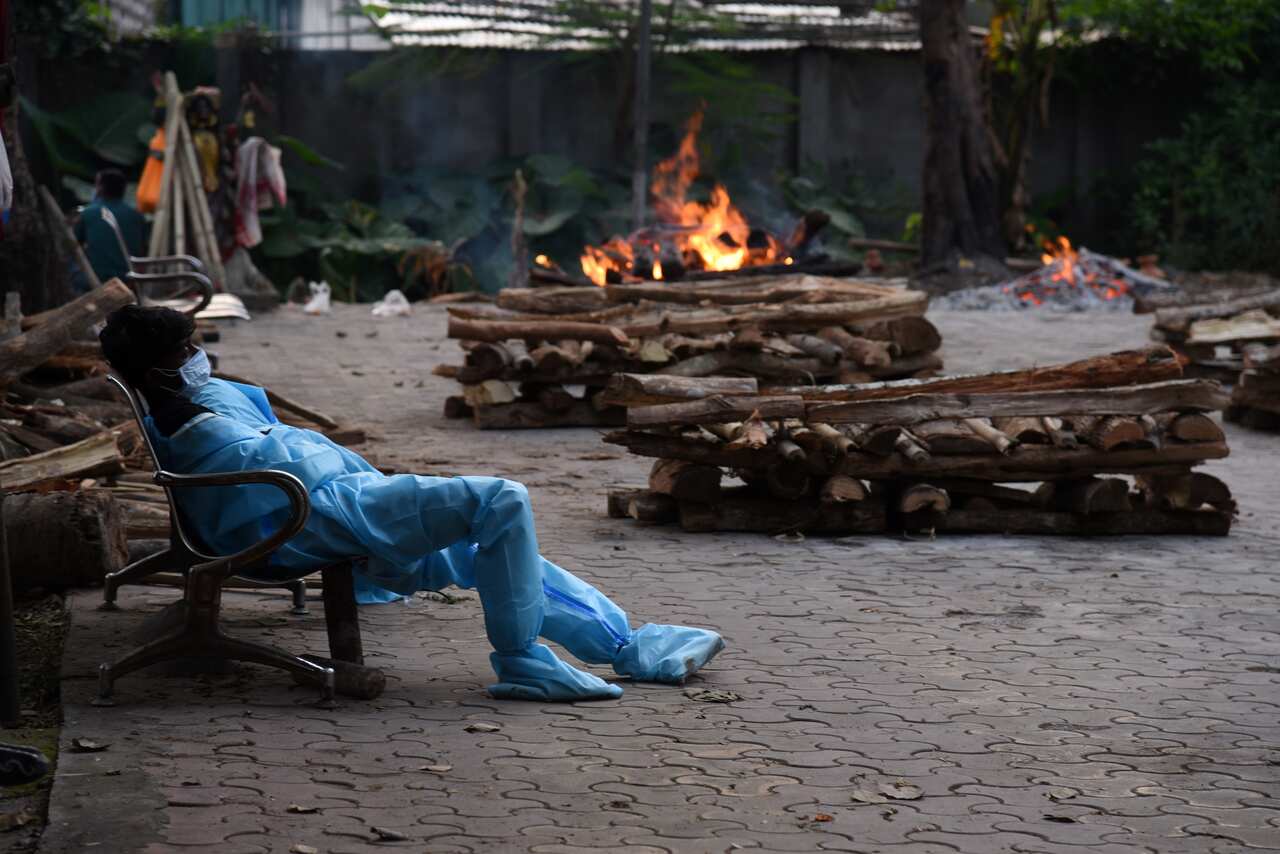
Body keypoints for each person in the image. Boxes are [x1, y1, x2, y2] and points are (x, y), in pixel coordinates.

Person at [98, 305, 723, 702]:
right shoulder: (195, 432)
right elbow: (282, 479)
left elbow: (300, 450)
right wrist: (370, 485)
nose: (199, 358)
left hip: (341, 500)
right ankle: (521, 661)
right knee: (502, 498)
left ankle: (627, 646)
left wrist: (367, 477)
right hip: (313, 518)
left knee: (477, 546)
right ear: (156, 373)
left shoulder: (207, 400)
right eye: (185, 352)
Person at [74, 169, 149, 286]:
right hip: (129, 280)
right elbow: (143, 251)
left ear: (100, 188)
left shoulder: (88, 213)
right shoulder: (137, 216)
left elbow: (73, 245)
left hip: (96, 280)